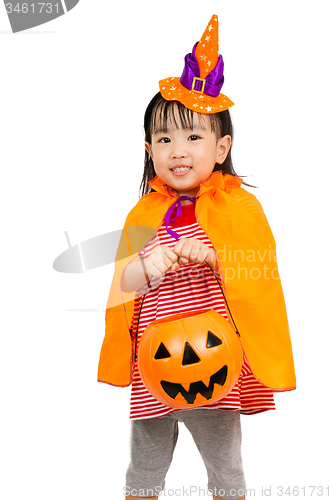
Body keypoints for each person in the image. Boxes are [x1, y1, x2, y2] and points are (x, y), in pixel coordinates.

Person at [97, 15, 296, 500]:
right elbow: (123, 284)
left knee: (224, 466)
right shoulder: (144, 212)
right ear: (148, 150)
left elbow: (257, 277)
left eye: (193, 137)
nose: (177, 150)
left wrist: (211, 256)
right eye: (164, 139)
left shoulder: (238, 208)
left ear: (222, 147)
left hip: (212, 361)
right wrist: (145, 267)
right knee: (144, 466)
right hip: (155, 362)